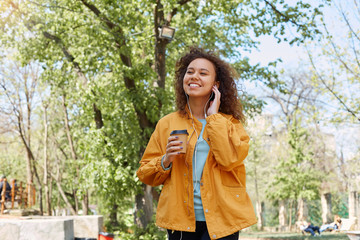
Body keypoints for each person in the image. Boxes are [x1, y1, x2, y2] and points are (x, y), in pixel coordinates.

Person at [136, 47, 257, 240]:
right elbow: (145, 174)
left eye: (203, 73)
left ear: (216, 84)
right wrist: (166, 160)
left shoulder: (231, 124)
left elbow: (228, 160)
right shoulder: (167, 123)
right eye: (190, 72)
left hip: (223, 219)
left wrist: (214, 118)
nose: (194, 77)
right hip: (181, 221)